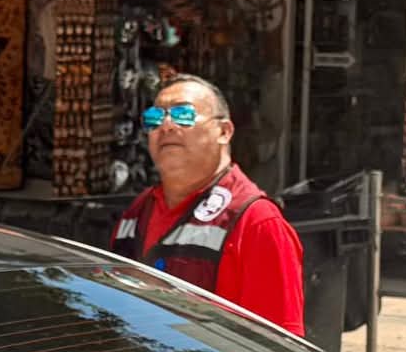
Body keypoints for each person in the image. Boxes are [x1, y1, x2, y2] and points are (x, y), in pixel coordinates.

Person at [111, 74, 305, 335]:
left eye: (183, 115)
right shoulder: (138, 211)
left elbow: (280, 350)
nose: (166, 126)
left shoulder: (256, 222)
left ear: (224, 132)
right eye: (155, 118)